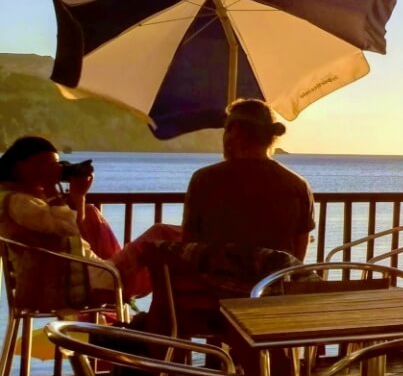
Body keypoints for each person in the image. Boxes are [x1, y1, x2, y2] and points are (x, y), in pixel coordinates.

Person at [0, 136, 180, 305]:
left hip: (72, 278)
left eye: (54, 165)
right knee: (161, 233)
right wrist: (51, 189)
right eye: (42, 164)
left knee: (90, 213)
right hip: (77, 284)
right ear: (17, 167)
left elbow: (70, 229)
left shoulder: (20, 199)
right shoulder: (18, 202)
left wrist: (78, 197)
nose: (50, 171)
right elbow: (68, 228)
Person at [182, 100, 315, 259]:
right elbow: (298, 259)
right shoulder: (298, 185)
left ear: (235, 131)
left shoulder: (203, 181)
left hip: (215, 275)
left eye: (226, 129)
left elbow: (189, 247)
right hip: (277, 275)